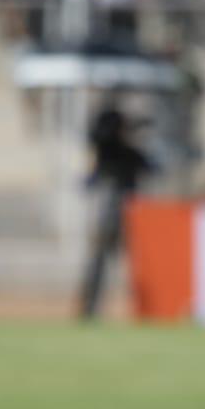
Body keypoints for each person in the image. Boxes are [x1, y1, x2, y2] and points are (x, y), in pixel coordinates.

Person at [79, 102, 155, 319]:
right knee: (102, 259)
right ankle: (90, 309)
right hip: (113, 208)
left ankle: (144, 307)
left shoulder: (128, 153)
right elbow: (99, 138)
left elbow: (149, 167)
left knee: (133, 262)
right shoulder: (110, 150)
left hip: (128, 211)